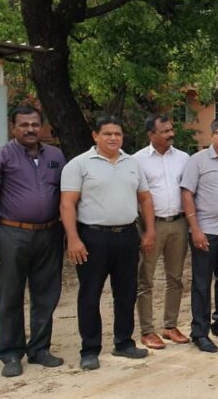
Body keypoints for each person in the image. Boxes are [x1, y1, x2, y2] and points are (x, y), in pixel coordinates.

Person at [61, 116, 156, 371]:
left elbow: (145, 199)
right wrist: (73, 238)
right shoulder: (79, 164)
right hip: (93, 237)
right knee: (90, 294)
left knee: (126, 292)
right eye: (107, 134)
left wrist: (149, 231)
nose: (113, 138)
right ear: (95, 136)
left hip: (127, 236)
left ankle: (124, 342)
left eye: (118, 134)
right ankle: (90, 349)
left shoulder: (132, 163)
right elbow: (67, 203)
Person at [0, 106, 66, 377]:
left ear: (42, 127)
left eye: (35, 124)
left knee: (47, 294)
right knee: (10, 296)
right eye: (24, 125)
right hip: (11, 235)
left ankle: (40, 349)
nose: (30, 129)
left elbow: (66, 194)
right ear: (13, 127)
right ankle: (11, 354)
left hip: (49, 234)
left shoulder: (55, 156)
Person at [180, 118, 218, 353]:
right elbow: (187, 194)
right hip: (205, 231)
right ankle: (200, 332)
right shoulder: (197, 161)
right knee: (202, 282)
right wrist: (195, 229)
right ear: (212, 135)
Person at [132, 114, 191, 349]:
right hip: (151, 225)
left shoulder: (184, 158)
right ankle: (147, 330)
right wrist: (145, 230)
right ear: (151, 134)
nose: (171, 134)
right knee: (145, 278)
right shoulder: (137, 160)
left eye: (171, 129)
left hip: (178, 223)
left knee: (175, 277)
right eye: (165, 131)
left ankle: (170, 325)